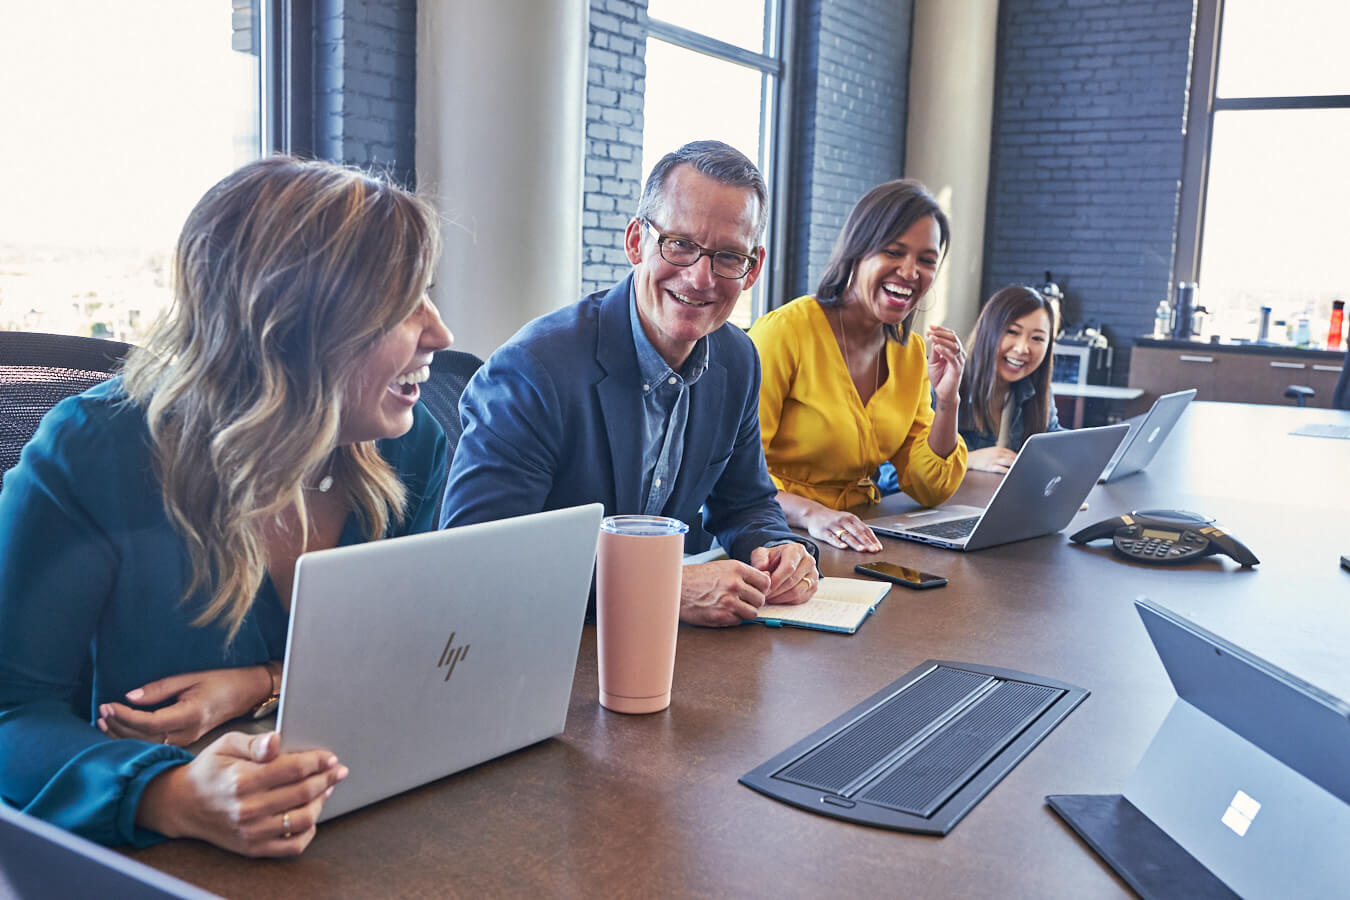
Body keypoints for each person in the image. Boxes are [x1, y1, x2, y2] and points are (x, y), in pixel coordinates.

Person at [0, 156, 454, 855]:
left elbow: (404, 650)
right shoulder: (93, 453)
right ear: (297, 326)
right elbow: (10, 714)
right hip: (139, 863)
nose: (441, 335)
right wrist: (168, 794)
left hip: (346, 821)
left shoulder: (406, 443)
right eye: (405, 306)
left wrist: (259, 684)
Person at [441, 140, 817, 628]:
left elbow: (745, 501)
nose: (701, 278)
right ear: (637, 241)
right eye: (680, 244)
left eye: (727, 256)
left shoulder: (737, 358)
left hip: (662, 654)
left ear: (753, 268)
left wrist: (778, 547)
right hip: (544, 652)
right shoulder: (535, 369)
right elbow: (478, 561)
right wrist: (659, 589)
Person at [748, 179, 968, 553]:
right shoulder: (785, 333)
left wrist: (948, 402)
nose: (911, 272)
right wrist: (812, 513)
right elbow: (734, 477)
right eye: (894, 252)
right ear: (858, 251)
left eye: (927, 260)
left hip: (859, 537)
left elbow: (929, 489)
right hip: (777, 537)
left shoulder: (911, 353)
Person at [957, 285, 1062, 474]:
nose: (1023, 348)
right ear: (987, 332)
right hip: (950, 503)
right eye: (1012, 332)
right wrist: (967, 459)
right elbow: (891, 474)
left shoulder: (1036, 391)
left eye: (1037, 338)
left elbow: (1053, 439)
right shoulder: (946, 385)